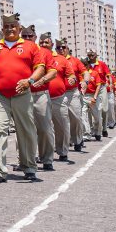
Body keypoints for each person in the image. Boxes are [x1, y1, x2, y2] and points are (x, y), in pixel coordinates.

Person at [0, 13, 47, 183]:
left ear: (19, 29)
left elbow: (40, 69)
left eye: (13, 26)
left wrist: (29, 81)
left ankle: (29, 167)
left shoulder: (30, 47)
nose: (10, 29)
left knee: (26, 130)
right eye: (6, 27)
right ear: (2, 29)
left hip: (22, 95)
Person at [23, 27, 56, 171]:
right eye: (24, 36)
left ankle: (47, 159)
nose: (27, 38)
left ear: (35, 37)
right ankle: (24, 159)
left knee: (44, 128)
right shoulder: (17, 50)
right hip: (22, 95)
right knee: (23, 129)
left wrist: (42, 80)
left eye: (30, 36)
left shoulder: (44, 52)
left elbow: (53, 72)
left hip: (40, 94)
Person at [41, 33, 73, 164]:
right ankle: (42, 154)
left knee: (62, 126)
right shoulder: (36, 57)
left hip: (58, 98)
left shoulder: (61, 59)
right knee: (42, 128)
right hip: (40, 97)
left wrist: (72, 79)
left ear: (52, 45)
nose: (43, 45)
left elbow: (70, 75)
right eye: (41, 42)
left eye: (46, 42)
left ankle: (63, 151)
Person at [84, 50, 108, 141]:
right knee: (85, 114)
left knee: (103, 110)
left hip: (100, 88)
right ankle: (88, 132)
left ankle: (102, 129)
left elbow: (107, 76)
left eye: (92, 54)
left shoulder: (101, 64)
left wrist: (110, 84)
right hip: (86, 94)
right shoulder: (85, 68)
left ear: (96, 55)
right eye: (89, 55)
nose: (90, 56)